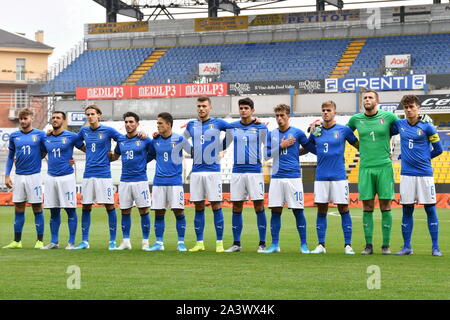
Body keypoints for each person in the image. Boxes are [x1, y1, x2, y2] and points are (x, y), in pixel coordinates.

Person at [347, 89, 399, 255]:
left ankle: (386, 245)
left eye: (370, 97)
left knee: (385, 204)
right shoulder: (356, 119)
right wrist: (358, 146)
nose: (367, 100)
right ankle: (368, 245)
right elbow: (345, 133)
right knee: (367, 205)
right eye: (365, 98)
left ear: (377, 101)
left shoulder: (388, 117)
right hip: (366, 168)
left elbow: (401, 128)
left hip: (384, 166)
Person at [391, 95, 443, 256]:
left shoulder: (428, 127)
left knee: (430, 209)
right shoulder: (399, 125)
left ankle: (435, 247)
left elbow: (439, 149)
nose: (408, 110)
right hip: (407, 175)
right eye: (406, 107)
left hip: (424, 174)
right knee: (407, 210)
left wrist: (425, 158)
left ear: (418, 108)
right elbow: (384, 130)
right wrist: (401, 156)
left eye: (411, 107)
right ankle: (407, 247)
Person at [307, 101, 359, 255]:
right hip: (321, 176)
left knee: (343, 208)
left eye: (328, 110)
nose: (325, 112)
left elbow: (358, 145)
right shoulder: (316, 130)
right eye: (323, 110)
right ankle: (321, 245)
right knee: (321, 209)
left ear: (334, 112)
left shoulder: (344, 130)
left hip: (339, 176)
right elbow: (308, 145)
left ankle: (348, 245)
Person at [263, 104, 316, 254]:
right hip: (277, 177)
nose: (279, 119)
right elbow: (266, 155)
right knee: (275, 211)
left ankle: (304, 245)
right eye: (277, 116)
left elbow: (309, 148)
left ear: (288, 116)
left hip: (293, 177)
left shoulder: (297, 133)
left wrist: (312, 135)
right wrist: (281, 145)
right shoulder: (271, 134)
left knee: (298, 211)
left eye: (282, 115)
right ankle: (274, 244)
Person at [184, 97, 232, 253]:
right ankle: (199, 242)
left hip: (213, 171)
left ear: (210, 108)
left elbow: (232, 132)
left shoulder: (218, 123)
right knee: (198, 206)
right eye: (198, 106)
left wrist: (220, 147)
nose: (201, 109)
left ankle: (219, 243)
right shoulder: (191, 124)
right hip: (197, 172)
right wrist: (190, 150)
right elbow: (181, 140)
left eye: (204, 106)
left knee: (216, 205)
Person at [74, 104, 122, 250]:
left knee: (109, 206)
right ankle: (85, 241)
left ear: (99, 115)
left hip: (104, 174)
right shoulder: (84, 130)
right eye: (87, 114)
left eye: (92, 114)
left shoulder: (108, 130)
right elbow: (76, 141)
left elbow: (122, 140)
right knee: (86, 206)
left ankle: (112, 241)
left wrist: (115, 154)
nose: (90, 117)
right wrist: (86, 150)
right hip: (88, 174)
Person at [224, 97, 268, 253]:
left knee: (259, 205)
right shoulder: (232, 127)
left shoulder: (261, 127)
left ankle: (262, 243)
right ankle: (236, 243)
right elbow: (223, 144)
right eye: (241, 108)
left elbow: (268, 147)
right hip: (237, 171)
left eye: (246, 108)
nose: (243, 111)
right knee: (236, 206)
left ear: (252, 110)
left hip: (255, 171)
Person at [145, 112, 192, 252]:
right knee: (159, 213)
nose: (158, 126)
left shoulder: (180, 139)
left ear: (169, 124)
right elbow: (149, 156)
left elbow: (193, 152)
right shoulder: (155, 141)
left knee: (179, 212)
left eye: (160, 123)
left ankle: (181, 243)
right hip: (159, 181)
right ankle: (159, 243)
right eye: (157, 124)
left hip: (175, 182)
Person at [3, 108, 46, 249]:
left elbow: (48, 149)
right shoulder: (14, 136)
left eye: (25, 118)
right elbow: (10, 157)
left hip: (34, 176)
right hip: (19, 176)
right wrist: (7, 175)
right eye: (21, 119)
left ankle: (39, 241)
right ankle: (17, 241)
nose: (22, 121)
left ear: (31, 118)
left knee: (37, 207)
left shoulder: (40, 135)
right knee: (19, 207)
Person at [41, 111, 85, 249]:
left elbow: (87, 149)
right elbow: (41, 154)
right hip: (50, 177)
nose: (55, 120)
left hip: (66, 177)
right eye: (53, 118)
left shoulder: (71, 137)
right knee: (53, 210)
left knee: (70, 209)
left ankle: (71, 242)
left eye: (58, 118)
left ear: (63, 121)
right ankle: (54, 241)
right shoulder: (45, 138)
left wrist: (75, 161)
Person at [110, 112, 154, 250]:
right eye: (126, 122)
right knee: (125, 211)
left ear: (137, 124)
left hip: (140, 180)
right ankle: (126, 241)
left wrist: (143, 162)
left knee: (143, 210)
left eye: (131, 122)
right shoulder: (121, 141)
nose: (128, 125)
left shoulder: (145, 139)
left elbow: (153, 152)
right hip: (124, 181)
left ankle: (145, 242)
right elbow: (115, 156)